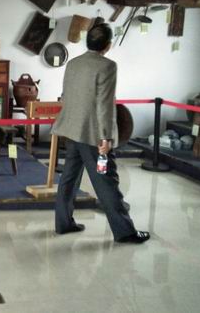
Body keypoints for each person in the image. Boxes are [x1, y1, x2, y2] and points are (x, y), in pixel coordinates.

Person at [52, 24, 149, 244]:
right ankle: (125, 232)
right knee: (106, 181)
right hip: (93, 136)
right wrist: (106, 138)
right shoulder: (108, 66)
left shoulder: (73, 63)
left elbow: (65, 95)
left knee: (68, 179)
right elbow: (104, 106)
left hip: (71, 130)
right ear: (108, 45)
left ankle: (64, 223)